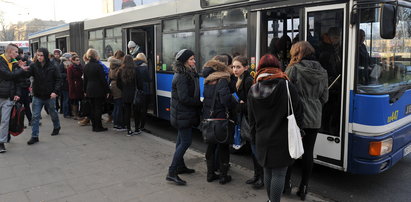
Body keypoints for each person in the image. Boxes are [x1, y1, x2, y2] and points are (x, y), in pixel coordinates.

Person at [248, 54, 303, 202]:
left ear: (260, 68)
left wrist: (253, 137)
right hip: (283, 137)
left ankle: (271, 200)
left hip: (262, 137)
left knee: (267, 171)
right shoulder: (287, 86)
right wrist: (300, 131)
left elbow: (251, 118)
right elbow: (298, 112)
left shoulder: (253, 89)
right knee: (279, 174)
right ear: (277, 67)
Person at [284, 41, 329, 200]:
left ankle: (286, 184)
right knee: (308, 152)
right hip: (315, 116)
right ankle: (304, 187)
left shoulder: (293, 69)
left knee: (291, 151)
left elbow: (285, 94)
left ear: (297, 53)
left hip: (296, 116)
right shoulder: (323, 71)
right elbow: (324, 97)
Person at [166, 49, 202, 185]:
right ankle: (171, 172)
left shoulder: (188, 73)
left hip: (183, 114)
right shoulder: (181, 76)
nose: (194, 61)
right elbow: (184, 98)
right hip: (182, 114)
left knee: (180, 141)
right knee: (186, 142)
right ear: (185, 61)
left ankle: (180, 167)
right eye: (192, 59)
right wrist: (199, 103)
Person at [232, 56, 264, 189]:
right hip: (247, 118)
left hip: (252, 120)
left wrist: (239, 105)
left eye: (238, 67)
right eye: (233, 67)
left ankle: (261, 178)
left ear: (245, 67)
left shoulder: (248, 80)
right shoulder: (238, 79)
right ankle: (257, 176)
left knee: (256, 149)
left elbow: (252, 105)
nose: (235, 69)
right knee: (252, 148)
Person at [202, 59, 236, 184]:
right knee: (223, 147)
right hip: (221, 118)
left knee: (210, 146)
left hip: (208, 117)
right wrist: (236, 104)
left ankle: (210, 174)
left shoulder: (208, 81)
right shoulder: (222, 80)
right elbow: (225, 100)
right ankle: (223, 176)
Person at [25, 48, 62, 145]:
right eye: (38, 55)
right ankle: (34, 136)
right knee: (35, 116)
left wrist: (55, 92)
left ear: (45, 55)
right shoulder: (33, 66)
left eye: (41, 55)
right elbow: (27, 75)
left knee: (53, 113)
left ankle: (57, 126)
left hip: (50, 95)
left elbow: (59, 79)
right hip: (37, 95)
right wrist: (22, 69)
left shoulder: (53, 66)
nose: (39, 57)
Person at [0, 44, 26, 152]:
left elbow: (18, 81)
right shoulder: (1, 61)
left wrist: (17, 94)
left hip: (8, 97)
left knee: (5, 120)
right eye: (16, 52)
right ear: (10, 52)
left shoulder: (15, 63)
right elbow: (7, 75)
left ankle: (1, 142)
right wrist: (20, 70)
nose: (17, 54)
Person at [83, 48, 110, 132]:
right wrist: (107, 91)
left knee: (92, 108)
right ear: (96, 56)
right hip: (98, 90)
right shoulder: (98, 66)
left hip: (89, 89)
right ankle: (98, 127)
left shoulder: (86, 66)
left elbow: (85, 80)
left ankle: (94, 126)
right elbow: (103, 80)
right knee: (98, 108)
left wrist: (84, 91)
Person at [117, 55, 142, 136]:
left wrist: (123, 89)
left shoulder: (121, 70)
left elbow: (118, 84)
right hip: (134, 94)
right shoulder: (136, 70)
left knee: (127, 112)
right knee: (136, 112)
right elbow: (139, 83)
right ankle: (137, 129)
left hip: (125, 94)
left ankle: (129, 130)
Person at [109, 50, 125, 131]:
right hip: (118, 87)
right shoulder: (119, 66)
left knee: (116, 105)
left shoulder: (112, 65)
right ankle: (118, 124)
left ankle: (115, 122)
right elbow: (120, 77)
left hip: (113, 86)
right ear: (121, 57)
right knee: (119, 105)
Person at [134, 53, 151, 133]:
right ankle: (142, 126)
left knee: (137, 109)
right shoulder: (144, 67)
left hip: (136, 90)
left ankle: (137, 127)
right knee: (144, 109)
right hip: (144, 90)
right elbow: (148, 79)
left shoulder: (134, 66)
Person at [67, 55, 84, 120]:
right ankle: (75, 114)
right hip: (74, 86)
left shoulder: (81, 67)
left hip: (80, 85)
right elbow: (69, 79)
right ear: (73, 61)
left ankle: (81, 113)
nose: (78, 61)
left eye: (79, 60)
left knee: (81, 100)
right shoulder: (70, 68)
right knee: (75, 101)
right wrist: (72, 87)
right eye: (76, 60)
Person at [59, 53, 72, 118]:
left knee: (68, 99)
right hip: (64, 84)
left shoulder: (68, 63)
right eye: (70, 57)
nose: (71, 58)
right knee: (66, 99)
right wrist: (68, 75)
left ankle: (69, 112)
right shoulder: (62, 64)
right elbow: (60, 74)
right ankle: (66, 113)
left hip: (68, 84)